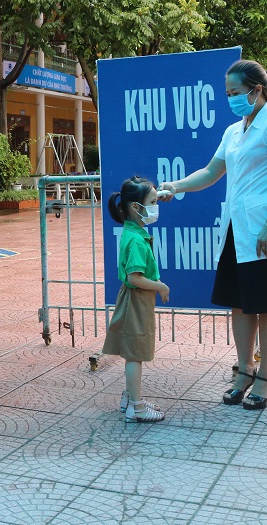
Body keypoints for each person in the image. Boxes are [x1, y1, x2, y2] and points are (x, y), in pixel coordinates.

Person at [158, 59, 267, 411]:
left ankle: (266, 377)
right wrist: (175, 186)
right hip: (236, 229)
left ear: (257, 90)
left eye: (235, 92)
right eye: (227, 93)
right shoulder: (234, 131)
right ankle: (244, 370)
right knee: (240, 303)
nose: (230, 99)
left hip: (266, 228)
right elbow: (212, 171)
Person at [103, 176, 168, 423]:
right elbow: (135, 277)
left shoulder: (131, 232)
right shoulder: (137, 240)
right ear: (135, 207)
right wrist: (160, 286)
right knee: (135, 354)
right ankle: (136, 407)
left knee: (134, 352)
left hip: (134, 299)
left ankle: (130, 397)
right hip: (137, 298)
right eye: (152, 202)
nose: (155, 207)